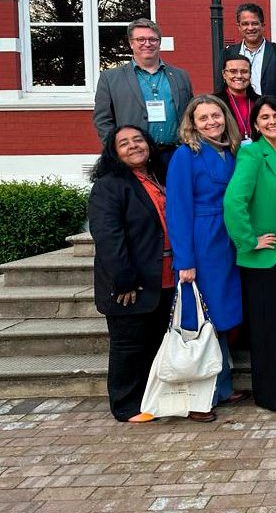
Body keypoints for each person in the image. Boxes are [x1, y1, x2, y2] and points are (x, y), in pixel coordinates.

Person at [221, 96, 276, 412]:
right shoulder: (251, 154)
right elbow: (233, 202)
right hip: (266, 254)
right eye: (265, 117)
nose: (272, 122)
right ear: (255, 124)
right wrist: (249, 239)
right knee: (272, 326)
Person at [165, 94, 245, 420]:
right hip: (202, 239)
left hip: (227, 240)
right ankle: (200, 397)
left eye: (216, 115)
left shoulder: (231, 152)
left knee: (221, 319)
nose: (211, 122)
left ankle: (222, 386)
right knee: (201, 320)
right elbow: (178, 210)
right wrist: (184, 259)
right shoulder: (186, 155)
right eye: (204, 118)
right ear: (193, 123)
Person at [88, 126, 172, 423]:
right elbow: (108, 237)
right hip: (130, 282)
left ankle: (149, 399)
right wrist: (125, 279)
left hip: (163, 277)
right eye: (124, 143)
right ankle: (126, 406)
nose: (133, 146)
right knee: (129, 346)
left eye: (138, 140)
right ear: (114, 152)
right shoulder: (109, 186)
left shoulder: (157, 179)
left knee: (153, 343)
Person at [93, 18, 193, 167]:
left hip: (176, 155)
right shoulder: (110, 78)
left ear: (159, 42)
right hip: (134, 157)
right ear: (131, 43)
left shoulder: (180, 76)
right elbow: (103, 120)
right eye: (141, 39)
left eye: (153, 39)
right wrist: (117, 150)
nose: (147, 44)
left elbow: (191, 114)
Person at [218, 3, 276, 100]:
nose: (250, 28)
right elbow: (220, 88)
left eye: (255, 23)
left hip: (270, 112)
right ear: (239, 27)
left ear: (263, 25)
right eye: (245, 24)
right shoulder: (228, 54)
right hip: (237, 112)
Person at [213, 52, 261, 145]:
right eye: (233, 71)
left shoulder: (260, 102)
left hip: (256, 155)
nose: (239, 76)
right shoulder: (213, 102)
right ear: (224, 74)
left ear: (250, 74)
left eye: (244, 71)